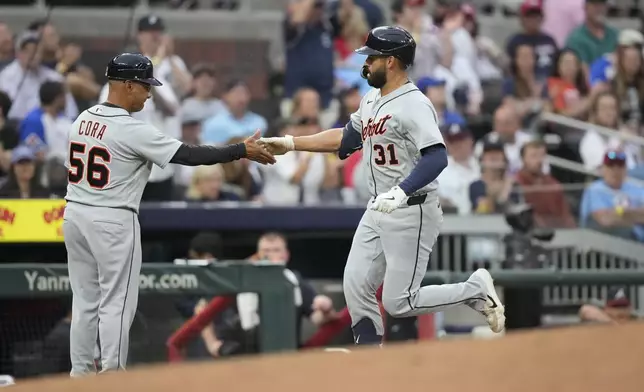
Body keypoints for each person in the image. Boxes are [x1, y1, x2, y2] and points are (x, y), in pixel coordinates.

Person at [258, 26, 505, 346]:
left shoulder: (414, 104)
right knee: (355, 286)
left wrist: (400, 191)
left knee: (399, 302)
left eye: (372, 57)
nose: (366, 64)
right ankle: (370, 358)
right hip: (378, 205)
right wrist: (292, 143)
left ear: (390, 62)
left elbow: (436, 158)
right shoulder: (373, 97)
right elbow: (346, 138)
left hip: (411, 207)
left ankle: (474, 290)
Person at [62, 53, 275, 377]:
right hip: (112, 218)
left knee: (85, 301)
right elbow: (188, 155)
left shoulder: (81, 119)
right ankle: (111, 377)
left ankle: (79, 376)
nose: (149, 93)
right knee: (117, 303)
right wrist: (239, 150)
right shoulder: (131, 129)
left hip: (75, 213)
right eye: (145, 85)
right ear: (128, 85)